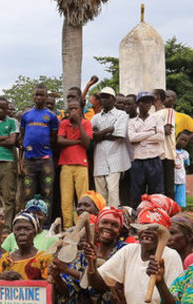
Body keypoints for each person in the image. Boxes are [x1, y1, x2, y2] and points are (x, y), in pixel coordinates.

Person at [20, 85, 60, 212]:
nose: (38, 97)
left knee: (47, 193)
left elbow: (54, 138)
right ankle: (29, 223)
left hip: (46, 161)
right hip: (29, 161)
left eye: (41, 95)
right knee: (28, 194)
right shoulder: (25, 116)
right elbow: (23, 136)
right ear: (33, 96)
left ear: (46, 96)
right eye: (36, 95)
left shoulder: (51, 116)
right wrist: (22, 158)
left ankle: (46, 225)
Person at [57, 97, 93, 227]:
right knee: (66, 200)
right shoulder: (64, 123)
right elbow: (60, 141)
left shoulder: (86, 123)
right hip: (66, 165)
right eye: (70, 109)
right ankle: (67, 227)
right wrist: (76, 141)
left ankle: (82, 226)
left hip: (81, 165)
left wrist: (79, 124)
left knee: (83, 199)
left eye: (75, 109)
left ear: (80, 110)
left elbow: (87, 142)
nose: (72, 111)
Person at [91, 88, 130, 208]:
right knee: (100, 191)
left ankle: (113, 216)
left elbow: (119, 135)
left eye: (106, 97)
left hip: (115, 157)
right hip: (99, 157)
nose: (103, 100)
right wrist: (108, 130)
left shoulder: (122, 115)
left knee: (113, 190)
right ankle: (102, 217)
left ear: (113, 99)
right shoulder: (96, 117)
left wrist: (100, 134)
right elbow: (93, 136)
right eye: (102, 97)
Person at [128, 91, 165, 206]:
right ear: (138, 103)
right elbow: (132, 138)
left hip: (154, 160)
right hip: (138, 161)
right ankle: (138, 218)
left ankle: (157, 216)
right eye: (144, 102)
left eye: (149, 102)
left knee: (157, 193)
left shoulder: (156, 119)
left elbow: (160, 136)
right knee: (137, 194)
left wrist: (141, 137)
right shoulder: (132, 121)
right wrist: (150, 132)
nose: (147, 104)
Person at [151, 88, 178, 200]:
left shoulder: (168, 112)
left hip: (167, 154)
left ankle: (170, 213)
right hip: (155, 155)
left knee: (168, 188)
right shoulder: (153, 114)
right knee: (157, 187)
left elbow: (166, 131)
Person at [173, 130, 191, 208]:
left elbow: (187, 164)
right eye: (181, 139)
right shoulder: (171, 150)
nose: (183, 142)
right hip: (171, 180)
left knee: (180, 202)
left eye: (185, 141)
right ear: (176, 138)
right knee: (171, 200)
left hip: (181, 180)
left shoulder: (185, 154)